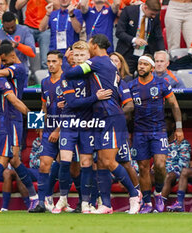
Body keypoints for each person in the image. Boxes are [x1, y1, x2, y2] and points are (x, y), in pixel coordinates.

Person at [63, 34, 142, 214]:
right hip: (101, 116)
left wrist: (68, 61)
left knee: (108, 161)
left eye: (90, 44)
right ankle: (106, 204)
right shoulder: (108, 64)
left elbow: (69, 74)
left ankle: (134, 195)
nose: (88, 47)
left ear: (96, 45)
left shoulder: (97, 61)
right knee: (101, 162)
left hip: (109, 115)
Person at [0, 43, 39, 210]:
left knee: (13, 158)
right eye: (0, 61)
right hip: (2, 118)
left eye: (3, 60)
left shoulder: (18, 68)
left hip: (13, 117)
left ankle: (34, 196)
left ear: (10, 56)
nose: (2, 63)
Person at [53, 41, 112, 213]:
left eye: (82, 55)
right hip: (69, 123)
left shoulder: (94, 75)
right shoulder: (67, 76)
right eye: (76, 55)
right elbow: (72, 103)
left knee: (87, 163)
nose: (79, 59)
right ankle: (63, 198)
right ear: (72, 57)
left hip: (88, 125)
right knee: (65, 161)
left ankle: (86, 202)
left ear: (89, 57)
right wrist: (95, 97)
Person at [128, 54, 184, 213]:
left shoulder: (161, 83)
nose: (141, 67)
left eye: (145, 64)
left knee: (159, 165)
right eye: (140, 64)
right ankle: (147, 203)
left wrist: (179, 128)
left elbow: (174, 105)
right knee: (143, 167)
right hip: (139, 132)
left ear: (152, 68)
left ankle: (158, 192)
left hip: (158, 131)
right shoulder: (131, 86)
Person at [29, 50, 66, 213]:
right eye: (48, 61)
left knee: (70, 167)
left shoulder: (68, 80)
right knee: (44, 165)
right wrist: (40, 126)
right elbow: (44, 106)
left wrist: (58, 130)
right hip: (48, 129)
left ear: (61, 62)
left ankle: (81, 201)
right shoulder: (44, 82)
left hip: (66, 129)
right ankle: (42, 202)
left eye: (54, 61)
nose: (50, 64)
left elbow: (71, 108)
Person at [115, 0, 164, 74]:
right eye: (152, 14)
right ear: (145, 7)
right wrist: (134, 40)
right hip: (128, 51)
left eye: (155, 14)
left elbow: (158, 36)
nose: (153, 16)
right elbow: (119, 32)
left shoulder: (155, 16)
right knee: (126, 78)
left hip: (146, 52)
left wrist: (162, 52)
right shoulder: (129, 11)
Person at [159, 117, 191, 211]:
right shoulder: (161, 144)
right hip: (161, 172)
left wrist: (165, 169)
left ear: (173, 125)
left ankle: (159, 206)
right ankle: (144, 204)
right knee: (145, 176)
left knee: (169, 175)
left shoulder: (182, 143)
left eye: (165, 125)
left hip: (175, 174)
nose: (163, 128)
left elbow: (183, 165)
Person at [15, 0, 51, 69]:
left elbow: (58, 5)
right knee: (24, 57)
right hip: (29, 26)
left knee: (45, 60)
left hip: (45, 27)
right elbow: (17, 6)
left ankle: (46, 78)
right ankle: (25, 74)